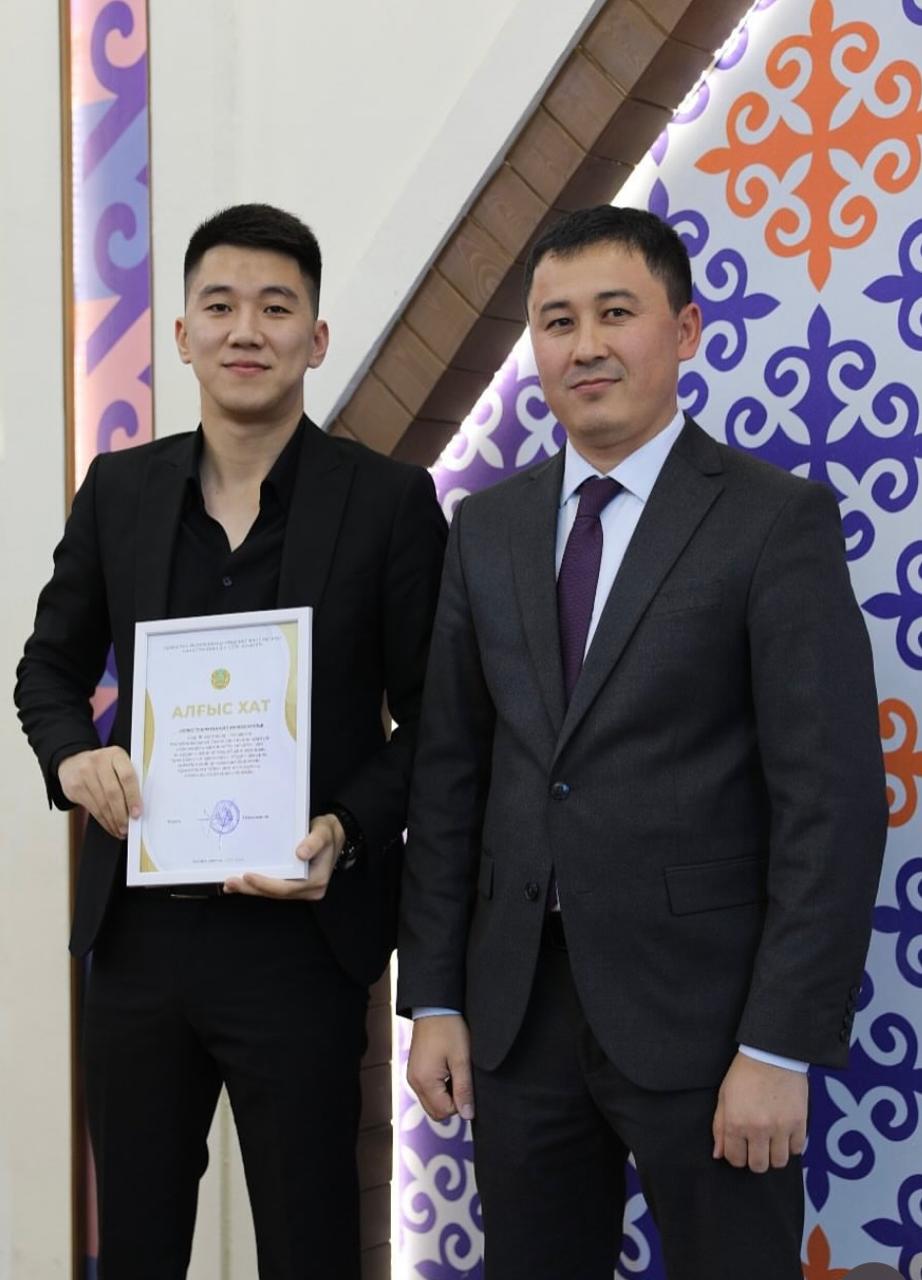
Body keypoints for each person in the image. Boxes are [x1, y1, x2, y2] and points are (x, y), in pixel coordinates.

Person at [397, 205, 887, 1280]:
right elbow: (449, 778)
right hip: (518, 1019)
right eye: (556, 321)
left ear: (686, 329)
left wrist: (777, 1044)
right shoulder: (486, 528)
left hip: (711, 1025)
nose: (585, 345)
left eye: (615, 313)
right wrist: (434, 996)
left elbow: (833, 802)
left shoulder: (773, 520)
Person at [15, 202, 447, 1279]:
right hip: (139, 940)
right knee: (138, 1245)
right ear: (182, 334)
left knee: (310, 1244)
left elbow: (439, 719)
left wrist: (346, 826)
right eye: (220, 305)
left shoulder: (390, 503)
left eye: (275, 307)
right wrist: (72, 756)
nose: (246, 329)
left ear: (317, 336)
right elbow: (46, 671)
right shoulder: (119, 491)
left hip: (301, 940)